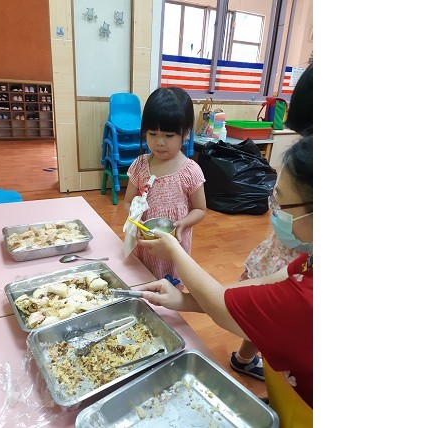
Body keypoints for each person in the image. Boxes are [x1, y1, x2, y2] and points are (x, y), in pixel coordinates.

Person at [134, 134, 313, 407]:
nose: (272, 209)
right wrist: (183, 300)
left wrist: (175, 251)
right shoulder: (308, 260)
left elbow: (225, 307)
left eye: (280, 199)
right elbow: (253, 290)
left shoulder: (306, 297)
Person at [232, 64, 313, 381]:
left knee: (267, 322)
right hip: (278, 254)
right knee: (256, 316)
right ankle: (245, 359)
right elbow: (242, 302)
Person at [124, 87, 207, 284]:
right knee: (143, 281)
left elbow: (200, 209)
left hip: (173, 246)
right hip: (144, 243)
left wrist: (184, 223)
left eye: (169, 136)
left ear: (186, 133)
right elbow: (128, 202)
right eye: (152, 133)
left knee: (170, 287)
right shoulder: (140, 165)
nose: (159, 142)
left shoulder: (190, 171)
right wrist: (135, 221)